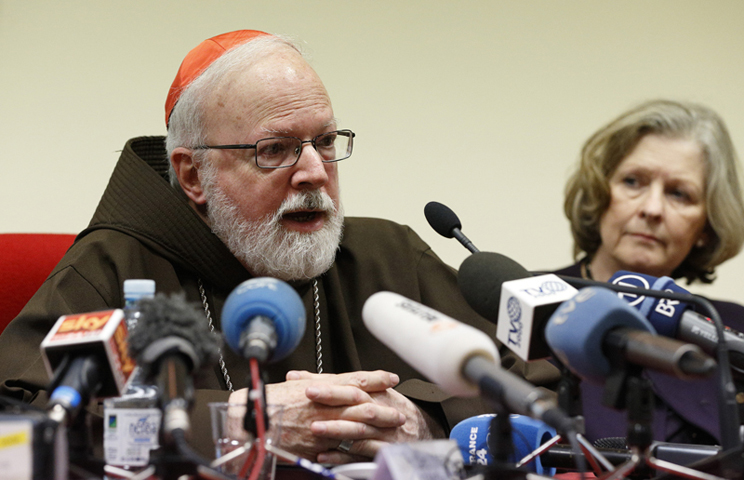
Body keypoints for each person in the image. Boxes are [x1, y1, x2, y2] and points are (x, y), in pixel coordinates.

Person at [0, 30, 559, 463]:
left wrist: (429, 421)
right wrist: (232, 422)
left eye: (324, 142)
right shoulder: (115, 266)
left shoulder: (389, 255)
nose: (314, 171)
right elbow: (16, 428)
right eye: (275, 149)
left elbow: (541, 390)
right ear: (192, 175)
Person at [555, 99, 744, 445]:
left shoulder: (728, 327)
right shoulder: (528, 300)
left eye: (679, 194)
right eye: (633, 182)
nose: (652, 209)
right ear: (601, 192)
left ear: (706, 226)